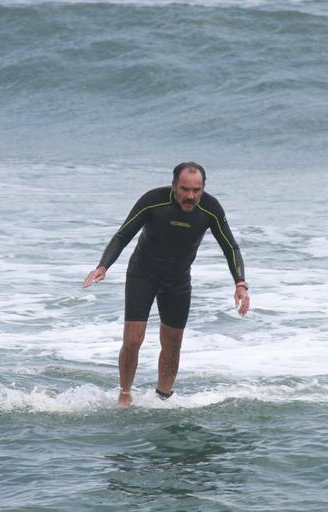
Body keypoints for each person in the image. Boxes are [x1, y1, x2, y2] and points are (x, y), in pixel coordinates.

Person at [83, 162, 249, 407]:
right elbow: (123, 234)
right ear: (174, 186)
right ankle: (125, 394)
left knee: (172, 343)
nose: (190, 196)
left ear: (203, 188)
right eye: (184, 189)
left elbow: (230, 246)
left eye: (196, 190)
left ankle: (163, 396)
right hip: (143, 273)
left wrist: (240, 283)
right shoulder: (153, 200)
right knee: (133, 339)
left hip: (178, 279)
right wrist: (103, 265)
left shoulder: (211, 209)